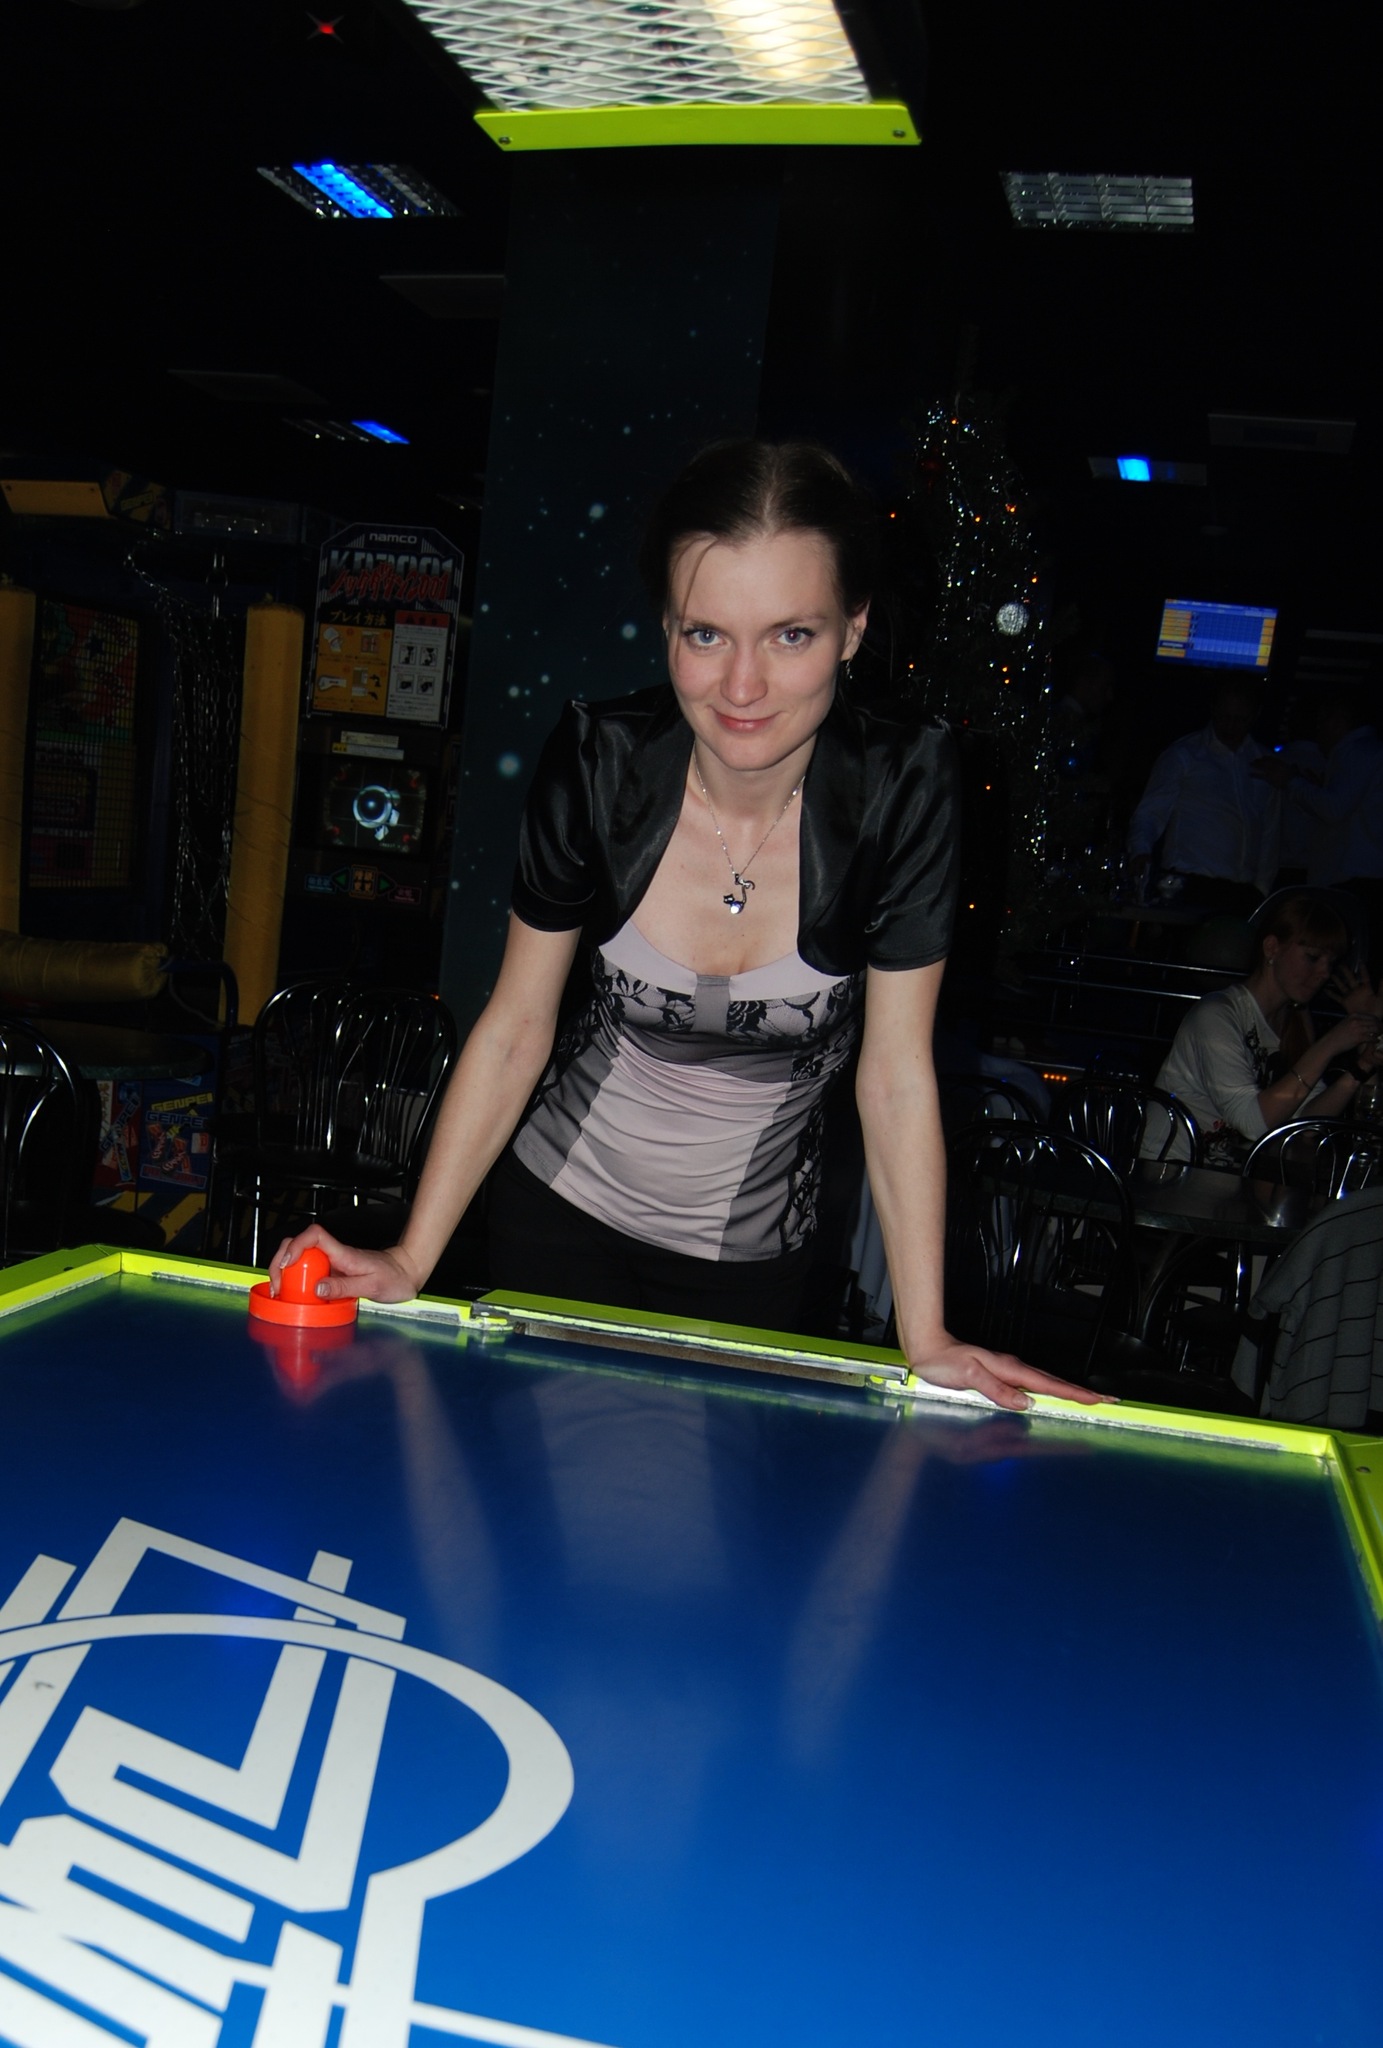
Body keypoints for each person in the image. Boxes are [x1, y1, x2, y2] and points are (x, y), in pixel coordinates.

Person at [273, 440, 1097, 1413]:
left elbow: (894, 1073)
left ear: (853, 628)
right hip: (557, 1216)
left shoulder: (903, 787)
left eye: (790, 635)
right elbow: (516, 1026)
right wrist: (413, 1255)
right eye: (706, 635)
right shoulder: (598, 762)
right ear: (666, 627)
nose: (742, 686)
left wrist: (927, 1336)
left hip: (752, 1264)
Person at [1150, 890, 1382, 1166]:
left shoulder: (1295, 1017)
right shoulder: (1216, 1014)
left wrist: (1362, 1065)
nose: (1324, 973)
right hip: (1172, 1173)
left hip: (1229, 1177)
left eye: (1330, 963)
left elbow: (1308, 1125)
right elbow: (1254, 1124)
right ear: (1272, 948)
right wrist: (1329, 1044)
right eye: (1312, 957)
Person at [1126, 678, 1279, 913]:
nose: (1231, 726)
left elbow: (1269, 831)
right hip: (1192, 882)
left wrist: (1262, 889)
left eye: (1240, 719)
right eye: (1225, 717)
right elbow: (1150, 812)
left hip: (1244, 891)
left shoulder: (1265, 763)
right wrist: (1141, 851)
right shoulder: (1184, 755)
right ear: (1213, 710)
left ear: (1254, 716)